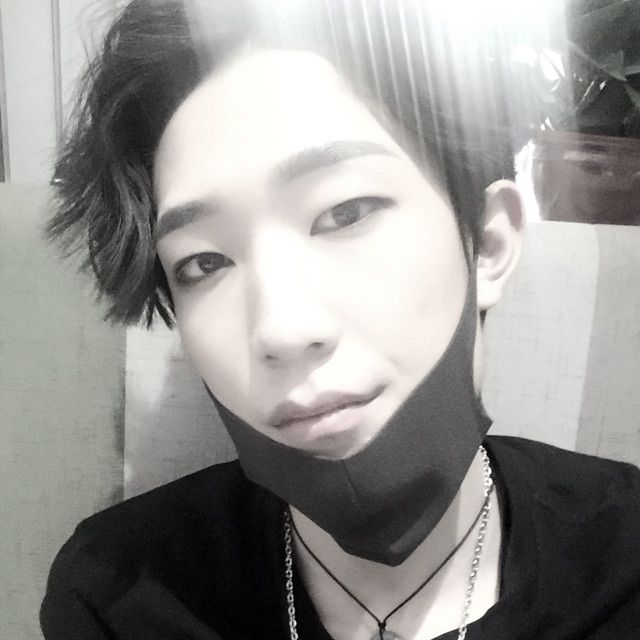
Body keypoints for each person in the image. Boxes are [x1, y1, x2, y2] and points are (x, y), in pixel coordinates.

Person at [40, 1, 640, 639]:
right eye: (204, 263)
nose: (282, 329)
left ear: (487, 244)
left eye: (345, 212)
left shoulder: (622, 561)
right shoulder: (117, 595)